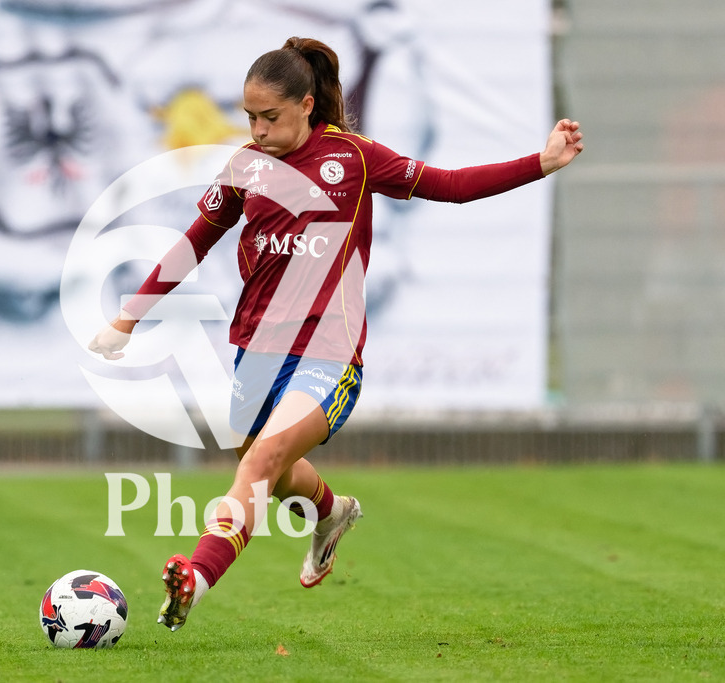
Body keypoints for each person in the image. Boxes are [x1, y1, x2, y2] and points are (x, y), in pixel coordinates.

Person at [89, 36, 584, 632]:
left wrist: (543, 162)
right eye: (250, 117)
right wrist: (129, 317)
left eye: (270, 117)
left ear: (305, 104)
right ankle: (333, 511)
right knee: (265, 466)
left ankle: (193, 576)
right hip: (255, 349)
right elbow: (195, 240)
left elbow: (449, 184)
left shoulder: (352, 156)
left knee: (262, 460)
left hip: (329, 350)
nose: (259, 129)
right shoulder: (246, 165)